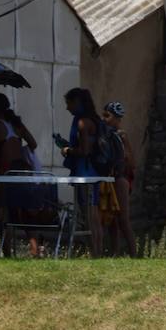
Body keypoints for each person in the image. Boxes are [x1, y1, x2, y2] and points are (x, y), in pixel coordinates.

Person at [0, 93, 43, 255]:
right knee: (25, 213)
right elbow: (33, 143)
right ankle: (35, 250)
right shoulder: (17, 125)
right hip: (23, 174)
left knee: (4, 213)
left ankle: (7, 252)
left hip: (5, 173)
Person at [60, 87, 102, 257]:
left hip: (86, 173)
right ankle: (96, 252)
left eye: (69, 103)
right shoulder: (94, 120)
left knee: (90, 214)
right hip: (92, 172)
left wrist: (68, 151)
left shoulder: (83, 122)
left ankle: (96, 253)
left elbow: (84, 150)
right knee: (93, 214)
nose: (67, 108)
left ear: (77, 102)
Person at [102, 101, 137, 257]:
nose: (104, 119)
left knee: (123, 219)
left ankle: (133, 254)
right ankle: (115, 252)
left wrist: (126, 142)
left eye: (107, 116)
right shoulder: (105, 135)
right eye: (103, 115)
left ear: (117, 118)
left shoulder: (121, 137)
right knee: (112, 221)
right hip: (109, 179)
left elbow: (132, 163)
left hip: (120, 179)